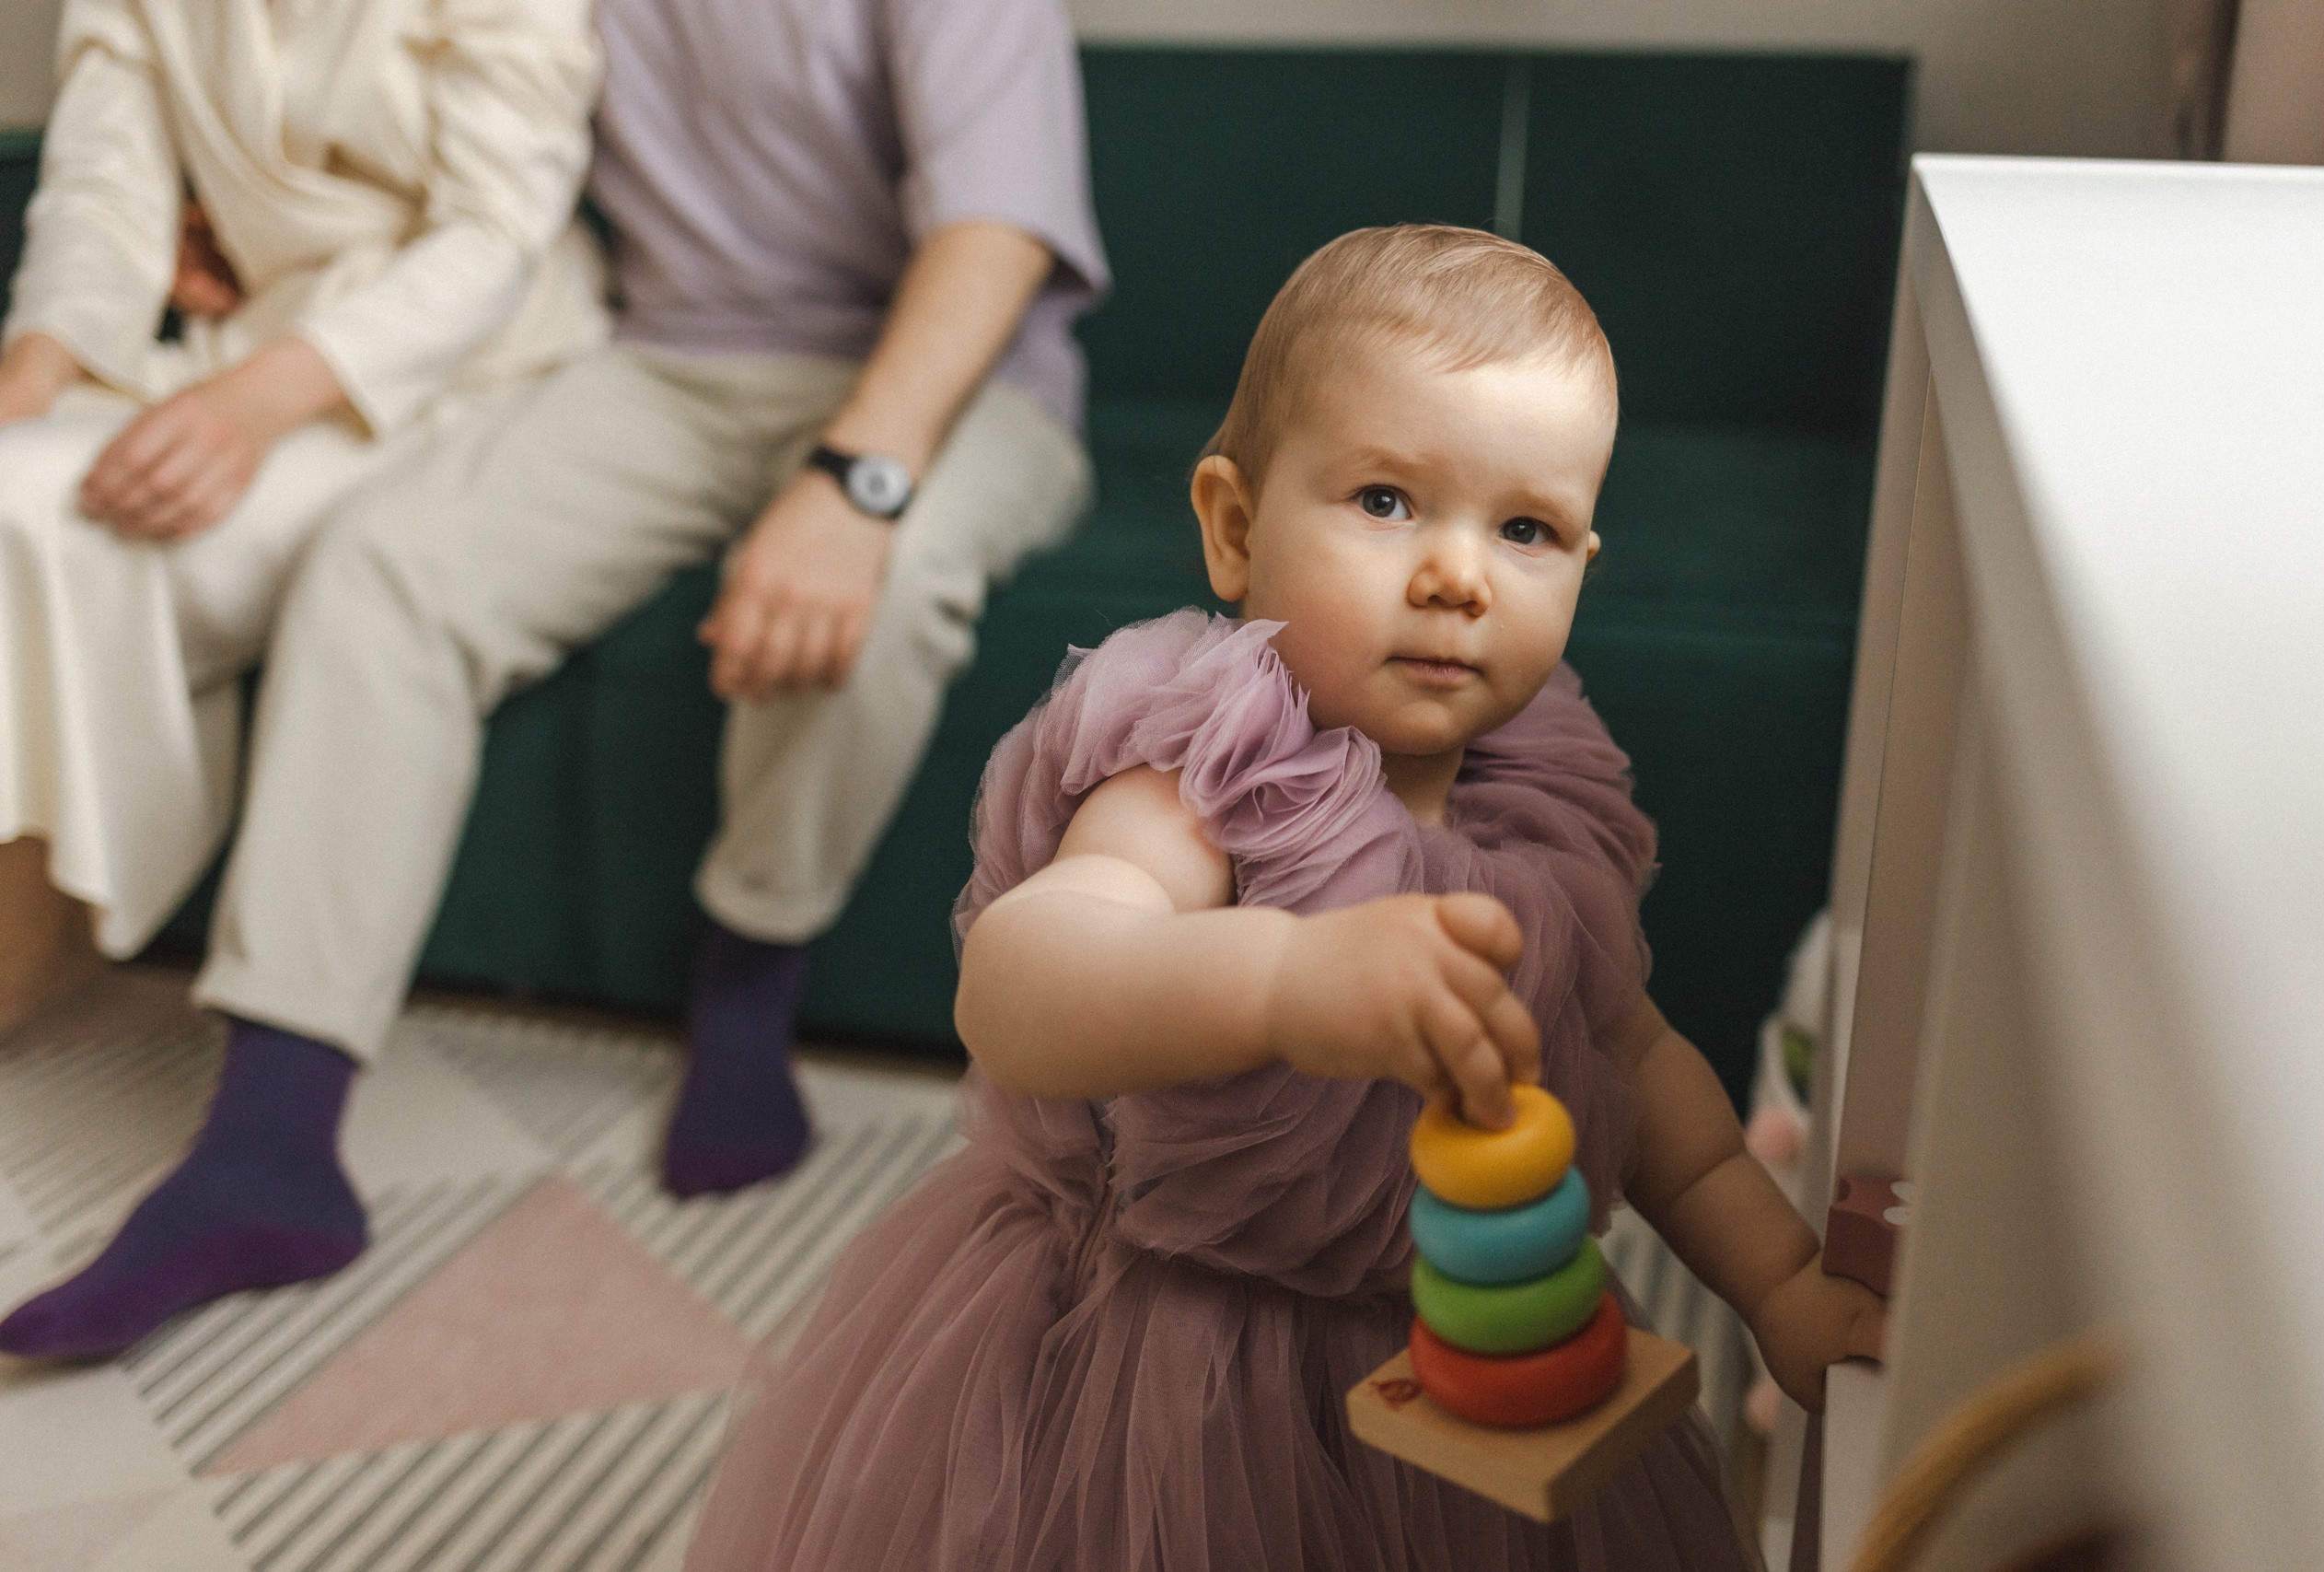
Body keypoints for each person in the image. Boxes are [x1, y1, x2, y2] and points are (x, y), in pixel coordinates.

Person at [682, 226, 1886, 1570]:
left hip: (1461, 1358)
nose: (1457, 575)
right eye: (1386, 501)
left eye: (1527, 528)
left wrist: (1777, 1281)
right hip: (1170, 1363)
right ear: (1236, 526)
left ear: (1582, 568)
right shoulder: (1211, 771)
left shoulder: (1539, 808)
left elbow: (1637, 1064)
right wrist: (1281, 981)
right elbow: (1019, 982)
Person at [0, 0, 1105, 1361]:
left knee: (880, 592)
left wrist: (853, 484)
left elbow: (993, 236)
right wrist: (225, 222)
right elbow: (437, 124)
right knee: (382, 569)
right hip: (664, 366)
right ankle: (271, 1145)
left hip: (957, 383)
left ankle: (750, 976)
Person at [0, 0, 605, 1357]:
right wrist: (32, 376)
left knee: (60, 534)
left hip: (452, 379)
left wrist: (256, 404)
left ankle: (248, 1143)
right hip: (233, 343)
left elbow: (496, 236)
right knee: (10, 492)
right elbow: (103, 187)